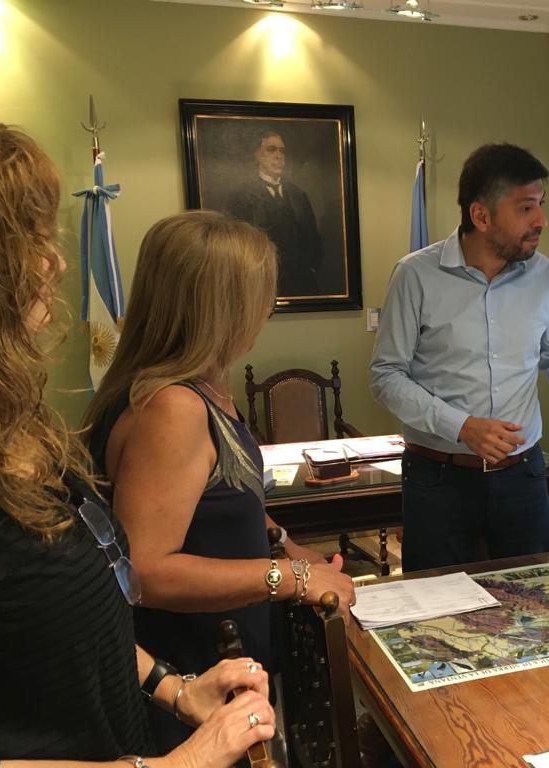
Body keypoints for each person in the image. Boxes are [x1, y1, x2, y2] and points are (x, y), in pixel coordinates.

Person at [0, 119, 275, 767]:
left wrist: (174, 689)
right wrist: (175, 764)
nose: (56, 262)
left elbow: (93, 608)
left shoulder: (16, 428)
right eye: (30, 238)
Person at [83, 209, 355, 752]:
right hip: (190, 680)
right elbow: (146, 572)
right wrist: (292, 576)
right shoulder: (173, 407)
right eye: (259, 296)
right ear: (220, 306)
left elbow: (224, 499)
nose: (267, 310)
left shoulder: (203, 386)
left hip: (225, 657)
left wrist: (284, 542)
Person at [368, 143, 549, 572]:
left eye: (542, 204)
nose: (542, 221)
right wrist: (462, 426)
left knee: (531, 596)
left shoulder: (542, 273)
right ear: (481, 215)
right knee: (439, 604)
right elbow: (387, 375)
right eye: (526, 207)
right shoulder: (415, 275)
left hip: (522, 477)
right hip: (439, 480)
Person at [227, 129, 325, 297]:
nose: (279, 156)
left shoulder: (298, 195)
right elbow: (235, 245)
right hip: (262, 284)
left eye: (282, 151)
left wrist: (311, 268)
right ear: (257, 155)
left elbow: (313, 239)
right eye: (271, 150)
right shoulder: (241, 197)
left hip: (302, 283)